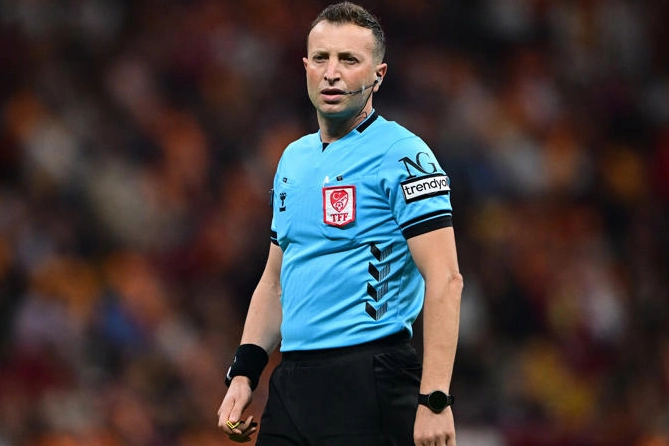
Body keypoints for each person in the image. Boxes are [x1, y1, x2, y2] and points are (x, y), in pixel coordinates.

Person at [217, 2, 462, 445]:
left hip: (370, 378)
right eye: (322, 58)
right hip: (291, 382)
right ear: (306, 67)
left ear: (378, 75)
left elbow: (445, 278)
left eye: (349, 60)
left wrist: (434, 399)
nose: (332, 73)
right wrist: (244, 374)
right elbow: (274, 281)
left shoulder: (404, 156)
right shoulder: (293, 159)